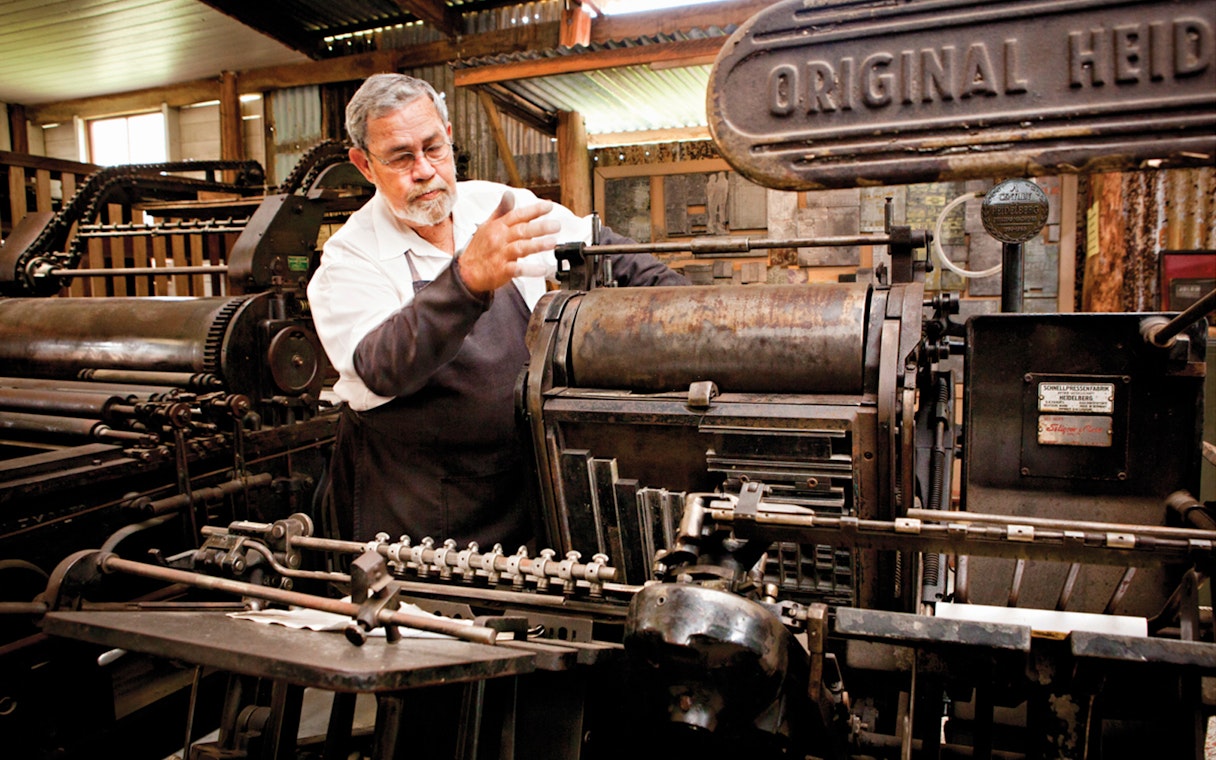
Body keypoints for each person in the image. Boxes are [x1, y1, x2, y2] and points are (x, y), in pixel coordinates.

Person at [308, 73, 686, 551]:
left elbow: (604, 254)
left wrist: (691, 312)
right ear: (364, 164)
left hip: (519, 485)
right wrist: (466, 279)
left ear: (449, 135)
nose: (423, 170)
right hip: (420, 510)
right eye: (401, 157)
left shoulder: (496, 206)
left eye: (433, 148)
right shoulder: (350, 257)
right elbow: (381, 365)